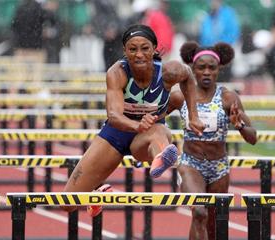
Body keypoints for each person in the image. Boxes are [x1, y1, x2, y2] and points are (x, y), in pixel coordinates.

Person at [62, 24, 204, 215]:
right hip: (116, 134)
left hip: (147, 136)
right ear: (125, 51)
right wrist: (137, 124)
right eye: (132, 49)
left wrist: (194, 117)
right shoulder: (117, 73)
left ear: (154, 49)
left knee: (159, 132)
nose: (139, 55)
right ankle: (99, 193)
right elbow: (113, 116)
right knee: (67, 203)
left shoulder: (169, 72)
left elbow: (188, 77)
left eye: (145, 49)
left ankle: (165, 161)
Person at [167, 41, 257, 240]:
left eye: (211, 68)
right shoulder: (180, 96)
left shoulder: (228, 98)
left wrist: (239, 125)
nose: (206, 72)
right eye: (201, 68)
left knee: (213, 223)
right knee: (199, 212)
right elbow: (154, 118)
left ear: (219, 69)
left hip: (219, 168)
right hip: (191, 164)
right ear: (192, 69)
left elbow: (253, 138)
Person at [198, 0, 240, 82]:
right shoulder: (207, 18)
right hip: (210, 56)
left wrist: (220, 47)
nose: (213, 3)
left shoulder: (228, 14)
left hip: (224, 54)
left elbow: (233, 34)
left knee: (224, 82)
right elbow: (203, 38)